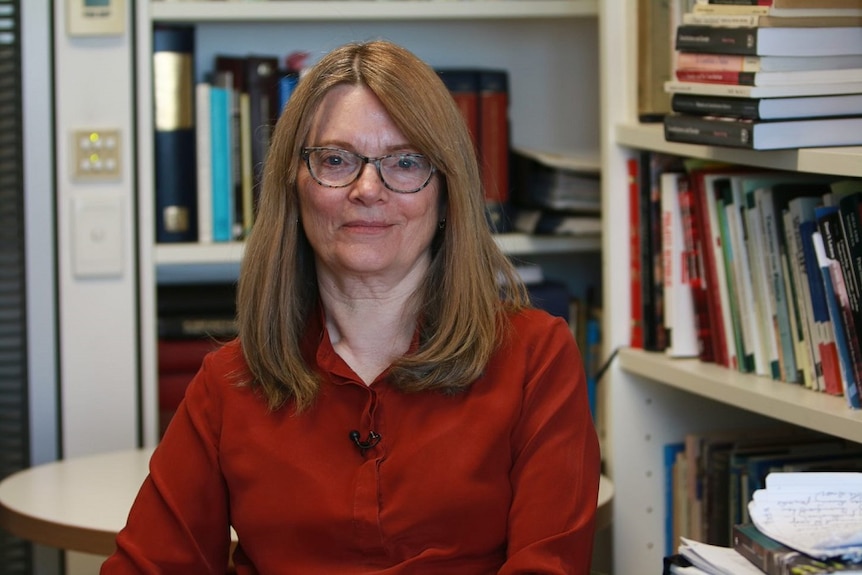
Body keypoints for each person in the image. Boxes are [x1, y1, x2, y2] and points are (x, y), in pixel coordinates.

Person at [101, 39, 601, 574]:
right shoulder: (229, 383)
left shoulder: (535, 358)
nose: (368, 188)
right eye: (336, 160)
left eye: (406, 162)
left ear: (447, 194)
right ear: (294, 188)